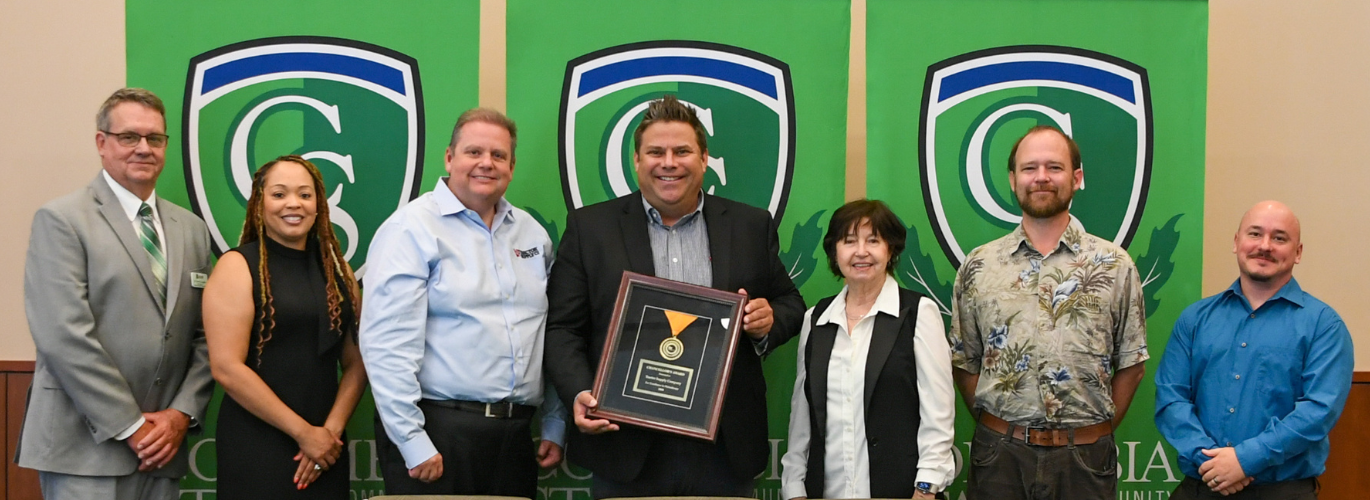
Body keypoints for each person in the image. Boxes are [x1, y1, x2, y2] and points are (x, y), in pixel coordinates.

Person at [544, 94, 806, 498]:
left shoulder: (749, 225)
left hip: (723, 448)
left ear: (703, 159)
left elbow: (790, 303)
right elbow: (563, 328)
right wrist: (581, 391)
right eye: (656, 152)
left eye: (682, 151)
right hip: (624, 444)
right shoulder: (590, 229)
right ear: (636, 161)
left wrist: (767, 321)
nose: (669, 162)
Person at [17, 88, 215, 499]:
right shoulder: (63, 220)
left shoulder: (192, 230)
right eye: (129, 137)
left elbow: (208, 335)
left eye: (154, 138)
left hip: (163, 451)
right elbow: (63, 335)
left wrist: (179, 416)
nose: (143, 148)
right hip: (84, 452)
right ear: (101, 143)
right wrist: (131, 425)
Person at [360, 108, 565, 496]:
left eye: (498, 155)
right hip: (437, 433)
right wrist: (411, 440)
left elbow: (551, 333)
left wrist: (555, 421)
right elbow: (386, 346)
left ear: (512, 165)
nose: (486, 163)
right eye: (474, 152)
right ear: (450, 158)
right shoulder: (411, 229)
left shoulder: (532, 234)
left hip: (516, 435)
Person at [947, 125, 1149, 500]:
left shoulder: (1114, 265)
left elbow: (1132, 365)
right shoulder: (979, 265)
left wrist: (1091, 431)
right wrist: (1004, 427)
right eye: (1029, 168)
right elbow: (965, 363)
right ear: (1012, 179)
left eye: (1054, 167)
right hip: (999, 458)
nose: (1041, 177)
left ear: (1077, 178)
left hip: (1085, 459)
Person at [1155, 201, 1354, 500]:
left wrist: (1244, 460)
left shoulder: (1324, 326)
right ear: (1236, 243)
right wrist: (1211, 462)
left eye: (1279, 238)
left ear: (1298, 252)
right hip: (1200, 487)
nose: (1265, 246)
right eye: (1255, 234)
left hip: (1282, 491)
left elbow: (1318, 411)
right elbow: (1171, 399)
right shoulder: (1195, 319)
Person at [202, 155, 367, 497]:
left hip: (326, 449)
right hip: (258, 444)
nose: (294, 203)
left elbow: (357, 362)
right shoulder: (237, 266)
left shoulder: (338, 270)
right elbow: (226, 368)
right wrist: (304, 434)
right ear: (260, 203)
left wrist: (329, 435)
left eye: (305, 195)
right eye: (279, 194)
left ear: (319, 204)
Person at [780, 199, 956, 499]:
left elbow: (938, 416)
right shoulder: (817, 319)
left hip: (903, 493)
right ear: (835, 252)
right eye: (849, 241)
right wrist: (794, 487)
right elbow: (802, 417)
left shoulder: (918, 313)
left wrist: (926, 488)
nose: (861, 251)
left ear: (891, 250)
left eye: (873, 240)